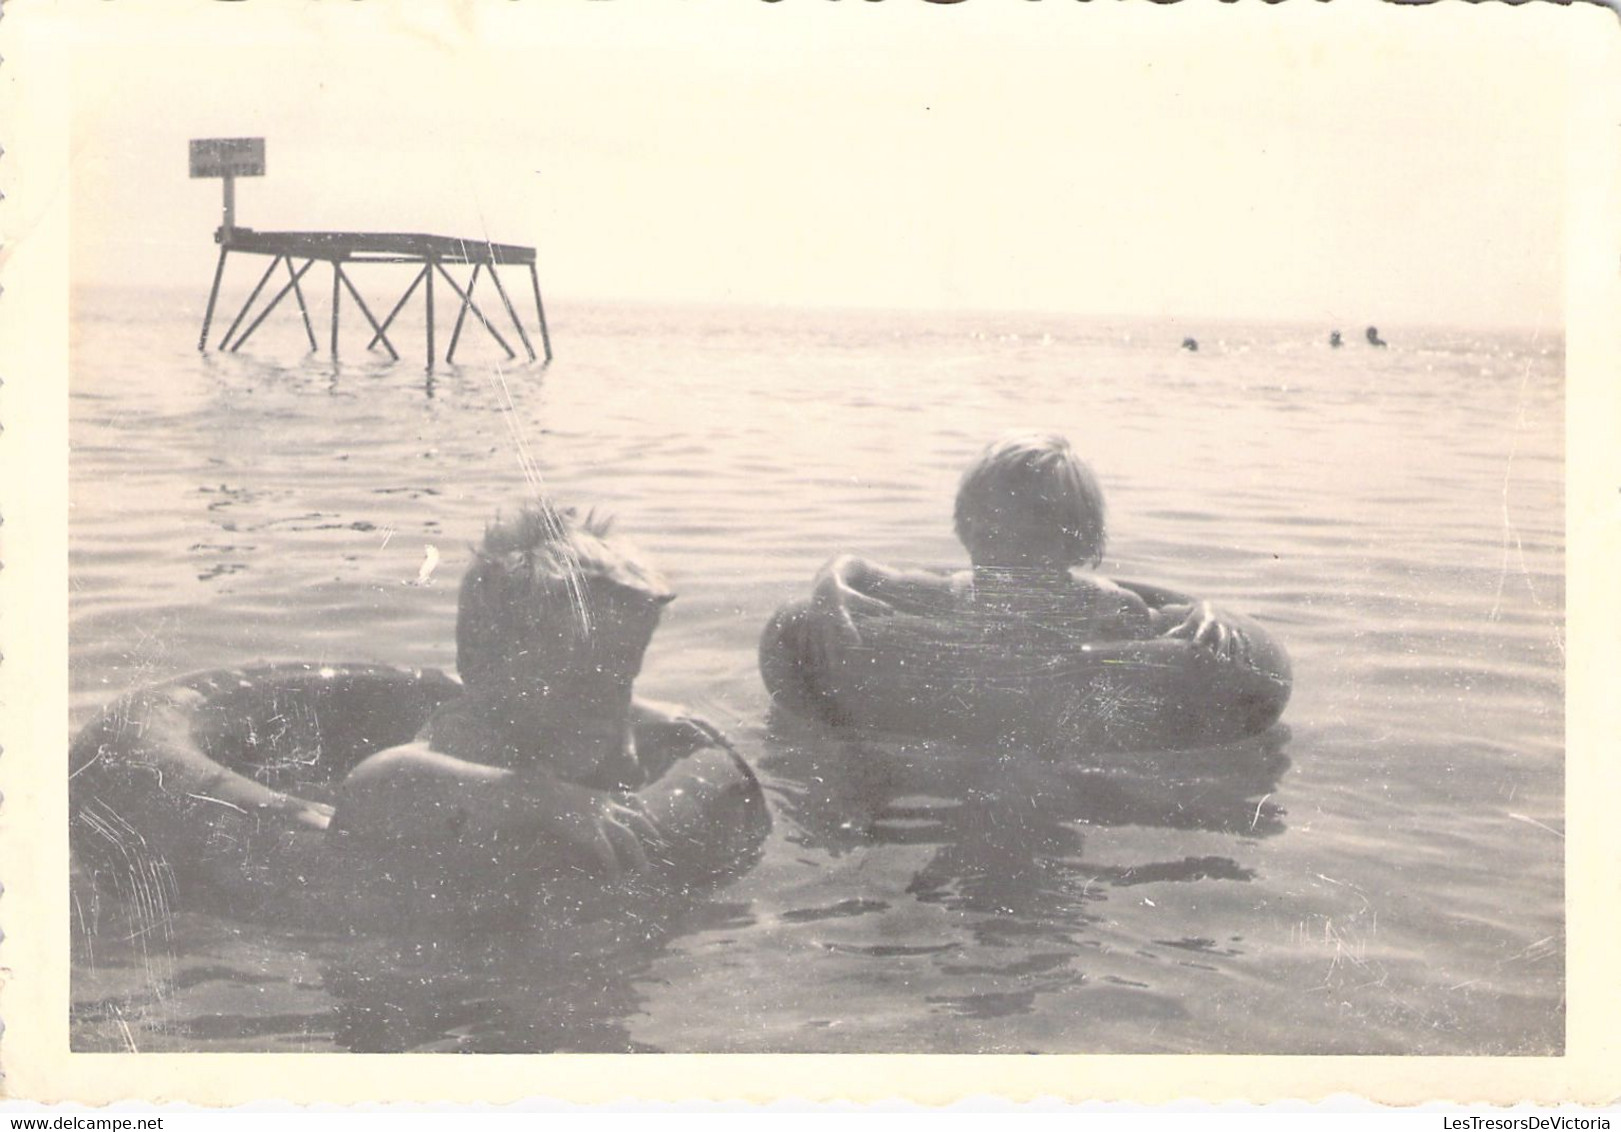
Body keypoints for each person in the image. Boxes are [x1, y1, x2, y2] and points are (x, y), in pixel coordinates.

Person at [330, 502, 725, 880]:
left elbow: (603, 696)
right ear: (485, 666)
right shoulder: (472, 736)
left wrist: (649, 715)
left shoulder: (602, 709)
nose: (607, 691)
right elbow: (376, 780)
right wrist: (544, 799)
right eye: (577, 674)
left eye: (624, 665)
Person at [804, 432, 1252, 673]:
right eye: (993, 532)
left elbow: (1179, 618)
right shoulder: (953, 595)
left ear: (1074, 540)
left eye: (1033, 536)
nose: (1009, 554)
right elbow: (858, 569)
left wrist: (1211, 612)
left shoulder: (1108, 609)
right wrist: (830, 583)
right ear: (968, 528)